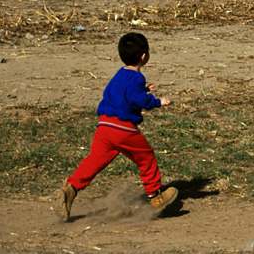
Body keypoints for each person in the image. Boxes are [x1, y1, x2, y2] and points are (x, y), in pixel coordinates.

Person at [53, 32, 178, 221]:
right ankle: (155, 197)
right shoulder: (137, 78)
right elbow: (137, 100)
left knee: (94, 162)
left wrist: (143, 90)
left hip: (104, 127)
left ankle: (70, 189)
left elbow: (121, 92)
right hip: (123, 129)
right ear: (144, 57)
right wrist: (157, 101)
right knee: (146, 157)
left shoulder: (120, 74)